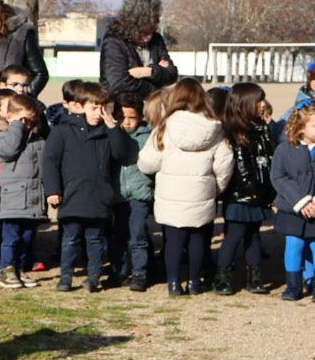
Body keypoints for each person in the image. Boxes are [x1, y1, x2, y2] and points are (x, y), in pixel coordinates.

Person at [135, 78, 233, 296]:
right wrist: (214, 188)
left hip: (171, 195)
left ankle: (173, 283)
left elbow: (147, 163)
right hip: (202, 192)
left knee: (173, 241)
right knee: (199, 239)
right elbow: (224, 165)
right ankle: (195, 282)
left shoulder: (164, 128)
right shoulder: (215, 128)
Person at [42, 81, 134, 292]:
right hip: (72, 195)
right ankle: (66, 276)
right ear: (80, 106)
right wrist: (53, 190)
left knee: (95, 241)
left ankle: (93, 277)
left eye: (102, 109)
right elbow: (50, 161)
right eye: (93, 108)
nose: (97, 113)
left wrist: (112, 128)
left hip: (99, 196)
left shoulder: (106, 132)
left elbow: (120, 154)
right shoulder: (63, 131)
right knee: (70, 239)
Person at [270, 101, 315, 304]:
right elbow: (279, 177)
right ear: (301, 127)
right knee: (294, 244)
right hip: (293, 210)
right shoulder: (284, 149)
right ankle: (293, 285)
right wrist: (301, 202)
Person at [213, 83, 276, 296]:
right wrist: (252, 189)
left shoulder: (261, 128)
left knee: (254, 235)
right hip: (241, 195)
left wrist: (268, 130)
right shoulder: (235, 131)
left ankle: (255, 277)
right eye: (258, 100)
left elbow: (268, 157)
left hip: (258, 193)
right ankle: (222, 277)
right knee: (234, 235)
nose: (262, 104)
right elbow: (242, 166)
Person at [0, 90, 47, 289]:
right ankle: (7, 269)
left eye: (30, 120)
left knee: (27, 237)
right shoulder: (2, 136)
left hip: (32, 198)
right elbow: (9, 151)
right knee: (11, 237)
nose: (26, 124)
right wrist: (16, 126)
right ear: (10, 118)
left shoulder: (39, 141)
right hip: (12, 198)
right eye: (22, 120)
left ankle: (20, 267)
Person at [99, 0, 177, 110]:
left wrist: (148, 71)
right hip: (122, 110)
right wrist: (155, 90)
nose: (158, 21)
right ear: (143, 18)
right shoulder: (114, 41)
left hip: (153, 110)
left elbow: (172, 73)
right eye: (155, 16)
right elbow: (118, 82)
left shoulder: (156, 39)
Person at [116, 96, 156, 291]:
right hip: (118, 194)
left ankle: (140, 273)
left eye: (132, 117)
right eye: (122, 117)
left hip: (139, 193)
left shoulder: (148, 136)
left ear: (141, 116)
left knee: (138, 235)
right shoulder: (113, 133)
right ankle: (121, 271)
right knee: (119, 235)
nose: (127, 122)